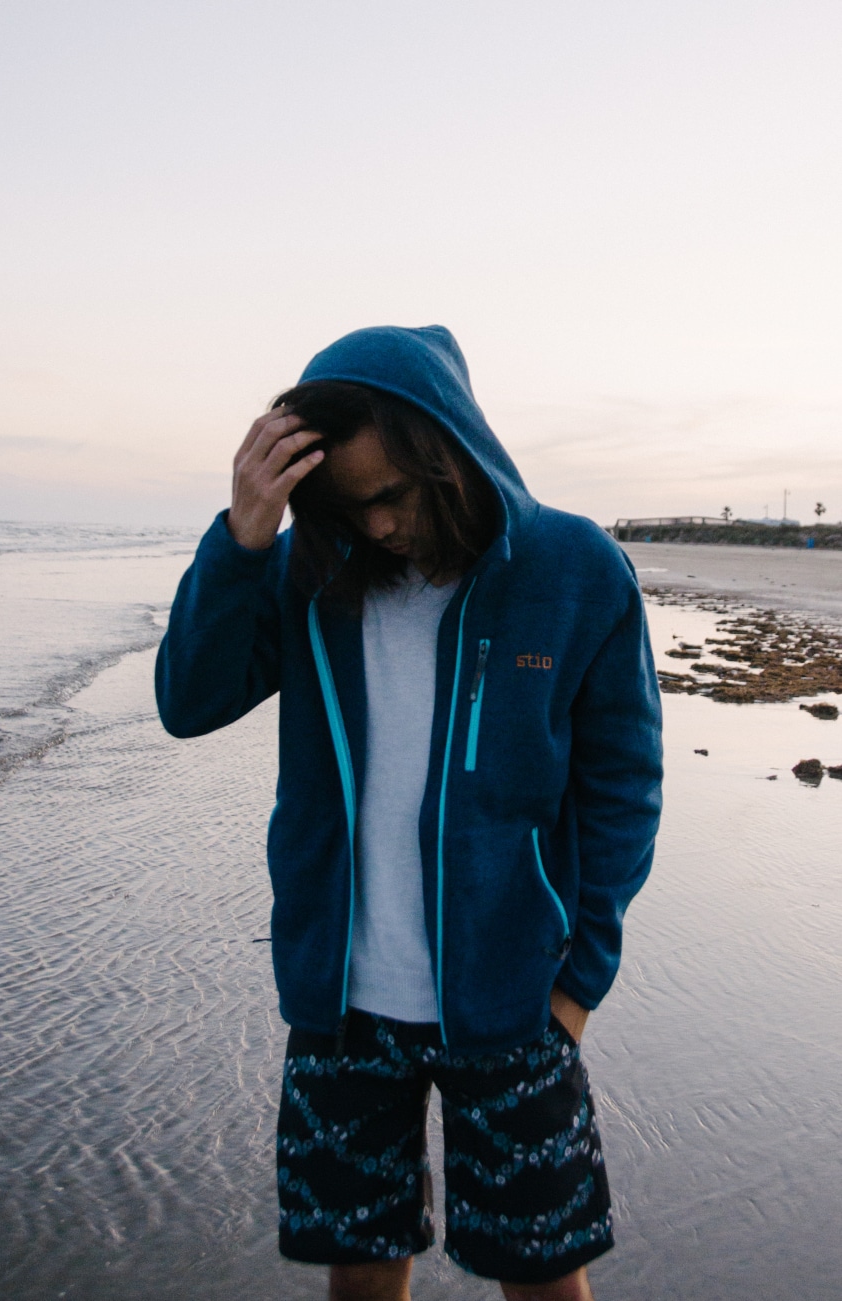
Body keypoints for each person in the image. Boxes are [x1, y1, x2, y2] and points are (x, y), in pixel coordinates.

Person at [156, 325, 663, 1301]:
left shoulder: (571, 567)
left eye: (391, 495)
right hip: (341, 1002)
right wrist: (243, 541)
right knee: (359, 1271)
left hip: (515, 1000)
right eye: (349, 504)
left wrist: (579, 980)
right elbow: (189, 699)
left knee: (544, 1272)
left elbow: (622, 789)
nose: (378, 526)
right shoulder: (307, 569)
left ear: (448, 450)